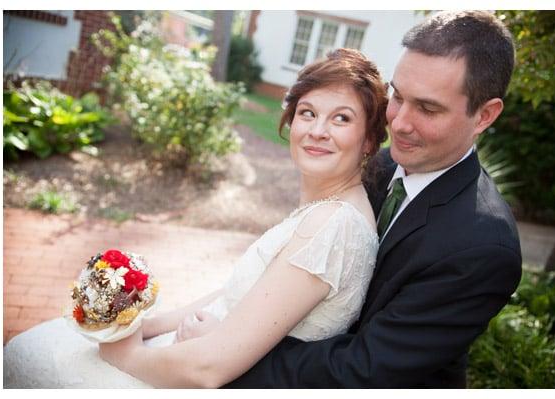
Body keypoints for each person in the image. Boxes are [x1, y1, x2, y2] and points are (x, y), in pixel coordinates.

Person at [3, 48, 389, 388]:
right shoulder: (327, 210)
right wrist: (142, 324)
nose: (317, 131)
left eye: (341, 119)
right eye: (307, 113)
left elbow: (207, 369)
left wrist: (123, 355)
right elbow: (247, 291)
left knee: (28, 352)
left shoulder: (333, 227)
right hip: (192, 348)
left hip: (199, 372)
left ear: (369, 140)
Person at [222, 10, 523, 388]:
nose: (398, 123)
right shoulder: (377, 164)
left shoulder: (483, 247)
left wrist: (230, 350)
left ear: (485, 115)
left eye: (428, 108)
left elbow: (363, 371)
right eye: (398, 95)